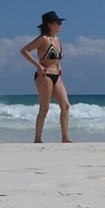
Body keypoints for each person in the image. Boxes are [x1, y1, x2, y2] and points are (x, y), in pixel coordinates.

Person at [20, 10, 72, 143]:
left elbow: (55, 58)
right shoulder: (43, 39)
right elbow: (24, 50)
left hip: (56, 75)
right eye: (58, 23)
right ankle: (38, 139)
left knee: (65, 105)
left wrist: (58, 65)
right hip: (44, 75)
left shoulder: (57, 40)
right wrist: (37, 65)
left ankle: (65, 137)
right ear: (50, 24)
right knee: (45, 107)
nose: (60, 25)